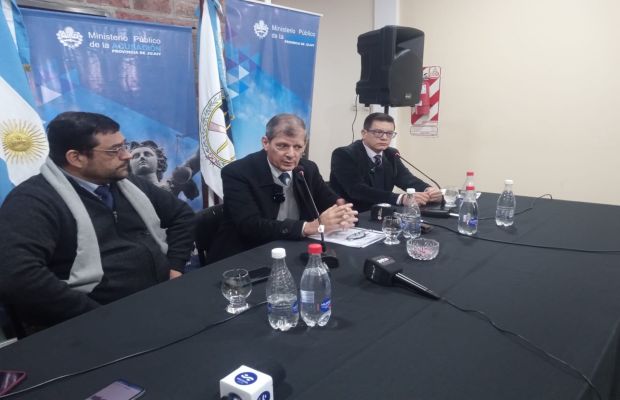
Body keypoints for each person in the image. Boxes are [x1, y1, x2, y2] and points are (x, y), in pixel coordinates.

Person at [0, 112, 195, 330]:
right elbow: (18, 277)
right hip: (95, 325)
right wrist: (96, 317)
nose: (126, 155)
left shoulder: (126, 182)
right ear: (76, 158)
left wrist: (175, 266)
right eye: (114, 150)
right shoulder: (32, 201)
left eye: (124, 145)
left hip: (160, 300)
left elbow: (182, 216)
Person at [207, 113, 357, 263]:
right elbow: (249, 225)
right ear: (266, 143)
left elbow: (330, 201)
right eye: (282, 146)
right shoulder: (237, 172)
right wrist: (309, 227)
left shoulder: (307, 169)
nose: (291, 154)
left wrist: (342, 213)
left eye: (297, 147)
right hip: (245, 253)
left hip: (292, 248)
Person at [330, 112, 443, 212]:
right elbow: (357, 190)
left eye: (389, 133)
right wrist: (401, 198)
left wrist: (428, 191)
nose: (384, 137)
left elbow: (407, 179)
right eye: (378, 132)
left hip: (382, 213)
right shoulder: (344, 154)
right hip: (352, 214)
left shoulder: (391, 154)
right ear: (364, 133)